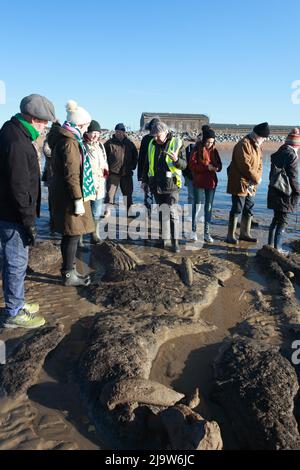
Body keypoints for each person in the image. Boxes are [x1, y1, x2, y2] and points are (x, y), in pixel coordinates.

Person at [0, 94, 56, 329]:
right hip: (13, 215)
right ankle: (13, 311)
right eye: (44, 122)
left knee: (12, 260)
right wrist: (28, 221)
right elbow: (19, 187)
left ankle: (17, 301)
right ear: (33, 119)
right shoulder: (18, 143)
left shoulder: (12, 131)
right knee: (16, 261)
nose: (45, 127)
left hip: (8, 211)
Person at [48, 100, 95, 286]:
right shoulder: (69, 143)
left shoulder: (63, 138)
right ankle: (69, 274)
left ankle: (69, 271)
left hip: (63, 193)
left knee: (70, 234)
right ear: (78, 124)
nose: (86, 130)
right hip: (70, 196)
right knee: (73, 234)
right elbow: (72, 174)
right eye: (85, 126)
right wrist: (77, 199)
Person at [142, 121, 187, 253]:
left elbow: (185, 165)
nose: (155, 138)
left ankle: (175, 242)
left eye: (158, 135)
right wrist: (144, 180)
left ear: (166, 133)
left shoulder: (177, 143)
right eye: (153, 135)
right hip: (155, 184)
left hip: (171, 185)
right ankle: (165, 239)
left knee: (172, 212)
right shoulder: (151, 144)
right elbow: (147, 164)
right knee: (162, 211)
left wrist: (176, 160)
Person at [226, 122, 270, 244]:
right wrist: (256, 177)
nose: (264, 140)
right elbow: (244, 165)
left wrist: (258, 177)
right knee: (237, 208)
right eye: (264, 138)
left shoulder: (257, 146)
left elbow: (260, 164)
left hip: (251, 184)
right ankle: (230, 235)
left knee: (249, 208)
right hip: (240, 182)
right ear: (257, 135)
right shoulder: (243, 144)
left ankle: (245, 233)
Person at [267, 128, 300, 254]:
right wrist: (298, 191)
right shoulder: (292, 156)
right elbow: (293, 178)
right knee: (283, 221)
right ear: (296, 145)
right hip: (286, 194)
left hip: (274, 190)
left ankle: (270, 244)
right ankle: (278, 248)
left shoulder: (278, 152)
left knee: (275, 219)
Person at [189, 127, 222, 243]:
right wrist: (206, 167)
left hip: (211, 183)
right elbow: (192, 166)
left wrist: (216, 168)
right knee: (197, 206)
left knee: (208, 207)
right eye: (208, 141)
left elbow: (220, 165)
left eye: (212, 142)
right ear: (203, 140)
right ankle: (193, 231)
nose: (209, 144)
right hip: (199, 181)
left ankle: (206, 233)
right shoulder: (196, 149)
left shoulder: (214, 150)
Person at [104, 123, 138, 217]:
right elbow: (103, 156)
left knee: (128, 193)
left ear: (124, 132)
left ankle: (129, 211)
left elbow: (135, 156)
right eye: (117, 131)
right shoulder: (109, 143)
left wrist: (133, 166)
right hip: (113, 173)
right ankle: (107, 211)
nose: (119, 133)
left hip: (126, 173)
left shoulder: (129, 143)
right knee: (110, 194)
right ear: (115, 132)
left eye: (121, 131)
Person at [83, 120, 109, 244]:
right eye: (93, 133)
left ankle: (94, 234)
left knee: (97, 211)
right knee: (83, 212)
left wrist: (106, 171)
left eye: (97, 133)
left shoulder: (100, 145)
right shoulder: (82, 145)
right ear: (87, 132)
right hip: (87, 183)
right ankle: (80, 238)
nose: (95, 135)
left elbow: (104, 161)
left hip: (100, 183)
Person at [138, 118, 160, 215]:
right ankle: (149, 216)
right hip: (147, 173)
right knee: (148, 196)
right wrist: (141, 176)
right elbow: (141, 158)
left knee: (160, 197)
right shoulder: (146, 139)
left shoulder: (163, 139)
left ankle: (160, 218)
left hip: (160, 174)